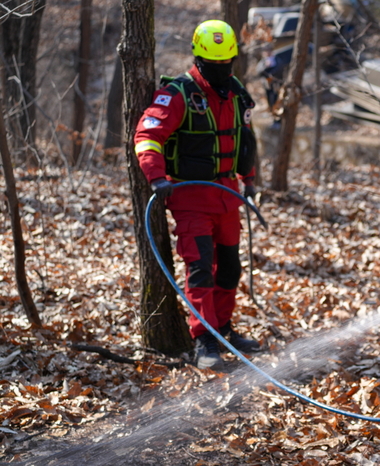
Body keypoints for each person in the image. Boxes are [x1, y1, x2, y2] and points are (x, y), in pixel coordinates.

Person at [134, 19, 262, 371]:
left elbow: (244, 141)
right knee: (200, 268)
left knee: (230, 268)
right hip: (190, 196)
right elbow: (147, 136)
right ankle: (204, 340)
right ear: (199, 59)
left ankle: (223, 329)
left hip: (227, 195)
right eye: (214, 65)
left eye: (227, 63)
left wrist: (248, 180)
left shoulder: (236, 93)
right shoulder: (177, 94)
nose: (221, 70)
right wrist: (156, 177)